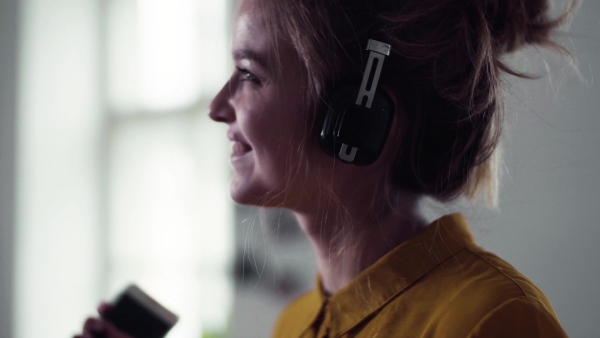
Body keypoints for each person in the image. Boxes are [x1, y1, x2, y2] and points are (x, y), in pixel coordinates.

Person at [75, 0, 577, 337]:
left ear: (360, 116)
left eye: (249, 74)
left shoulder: (493, 320)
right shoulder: (294, 324)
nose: (218, 106)